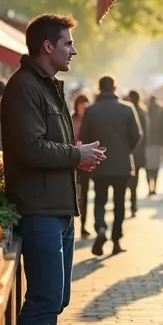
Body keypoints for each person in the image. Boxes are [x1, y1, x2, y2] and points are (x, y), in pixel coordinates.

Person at [1, 13, 105, 325]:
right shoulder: (23, 87)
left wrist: (77, 155)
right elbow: (30, 148)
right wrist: (76, 154)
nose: (73, 50)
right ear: (48, 46)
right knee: (44, 297)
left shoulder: (47, 86)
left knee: (57, 299)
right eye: (68, 43)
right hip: (39, 208)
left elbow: (48, 146)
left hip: (59, 207)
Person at [80, 76, 142, 256]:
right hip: (122, 164)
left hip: (100, 162)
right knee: (119, 202)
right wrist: (125, 150)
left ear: (99, 88)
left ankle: (100, 227)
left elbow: (84, 136)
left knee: (100, 199)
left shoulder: (91, 110)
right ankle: (116, 240)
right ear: (115, 87)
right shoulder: (127, 108)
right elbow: (137, 135)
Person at [71, 93, 92, 239]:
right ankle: (72, 225)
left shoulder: (90, 121)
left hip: (85, 161)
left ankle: (83, 226)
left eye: (85, 106)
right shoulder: (71, 119)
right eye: (81, 105)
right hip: (72, 160)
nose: (83, 108)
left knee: (84, 193)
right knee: (73, 194)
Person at [126, 90, 149, 217]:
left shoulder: (127, 111)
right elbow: (145, 133)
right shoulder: (142, 112)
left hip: (128, 151)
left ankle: (130, 203)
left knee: (127, 179)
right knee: (135, 180)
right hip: (139, 150)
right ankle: (133, 205)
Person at [144, 96, 163, 195]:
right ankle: (154, 187)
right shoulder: (160, 112)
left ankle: (150, 188)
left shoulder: (146, 112)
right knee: (155, 167)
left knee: (148, 167)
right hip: (156, 143)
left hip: (147, 144)